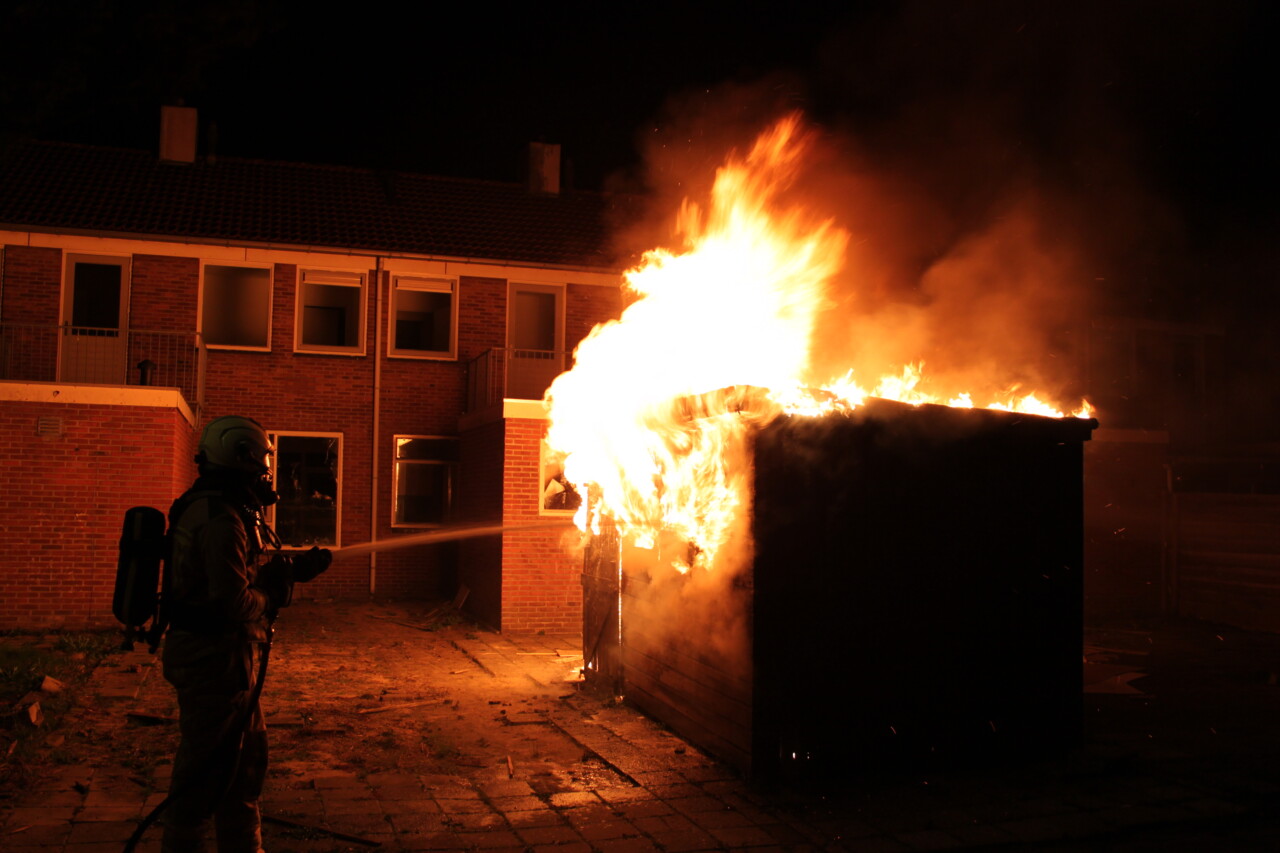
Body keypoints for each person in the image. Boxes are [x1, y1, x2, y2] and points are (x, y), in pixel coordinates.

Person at [160, 415, 325, 853]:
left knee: (245, 766)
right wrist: (272, 594)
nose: (265, 472)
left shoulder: (225, 507)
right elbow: (231, 601)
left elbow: (238, 579)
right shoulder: (218, 518)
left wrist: (286, 573)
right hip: (212, 661)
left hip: (230, 661)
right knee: (203, 777)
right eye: (260, 462)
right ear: (239, 457)